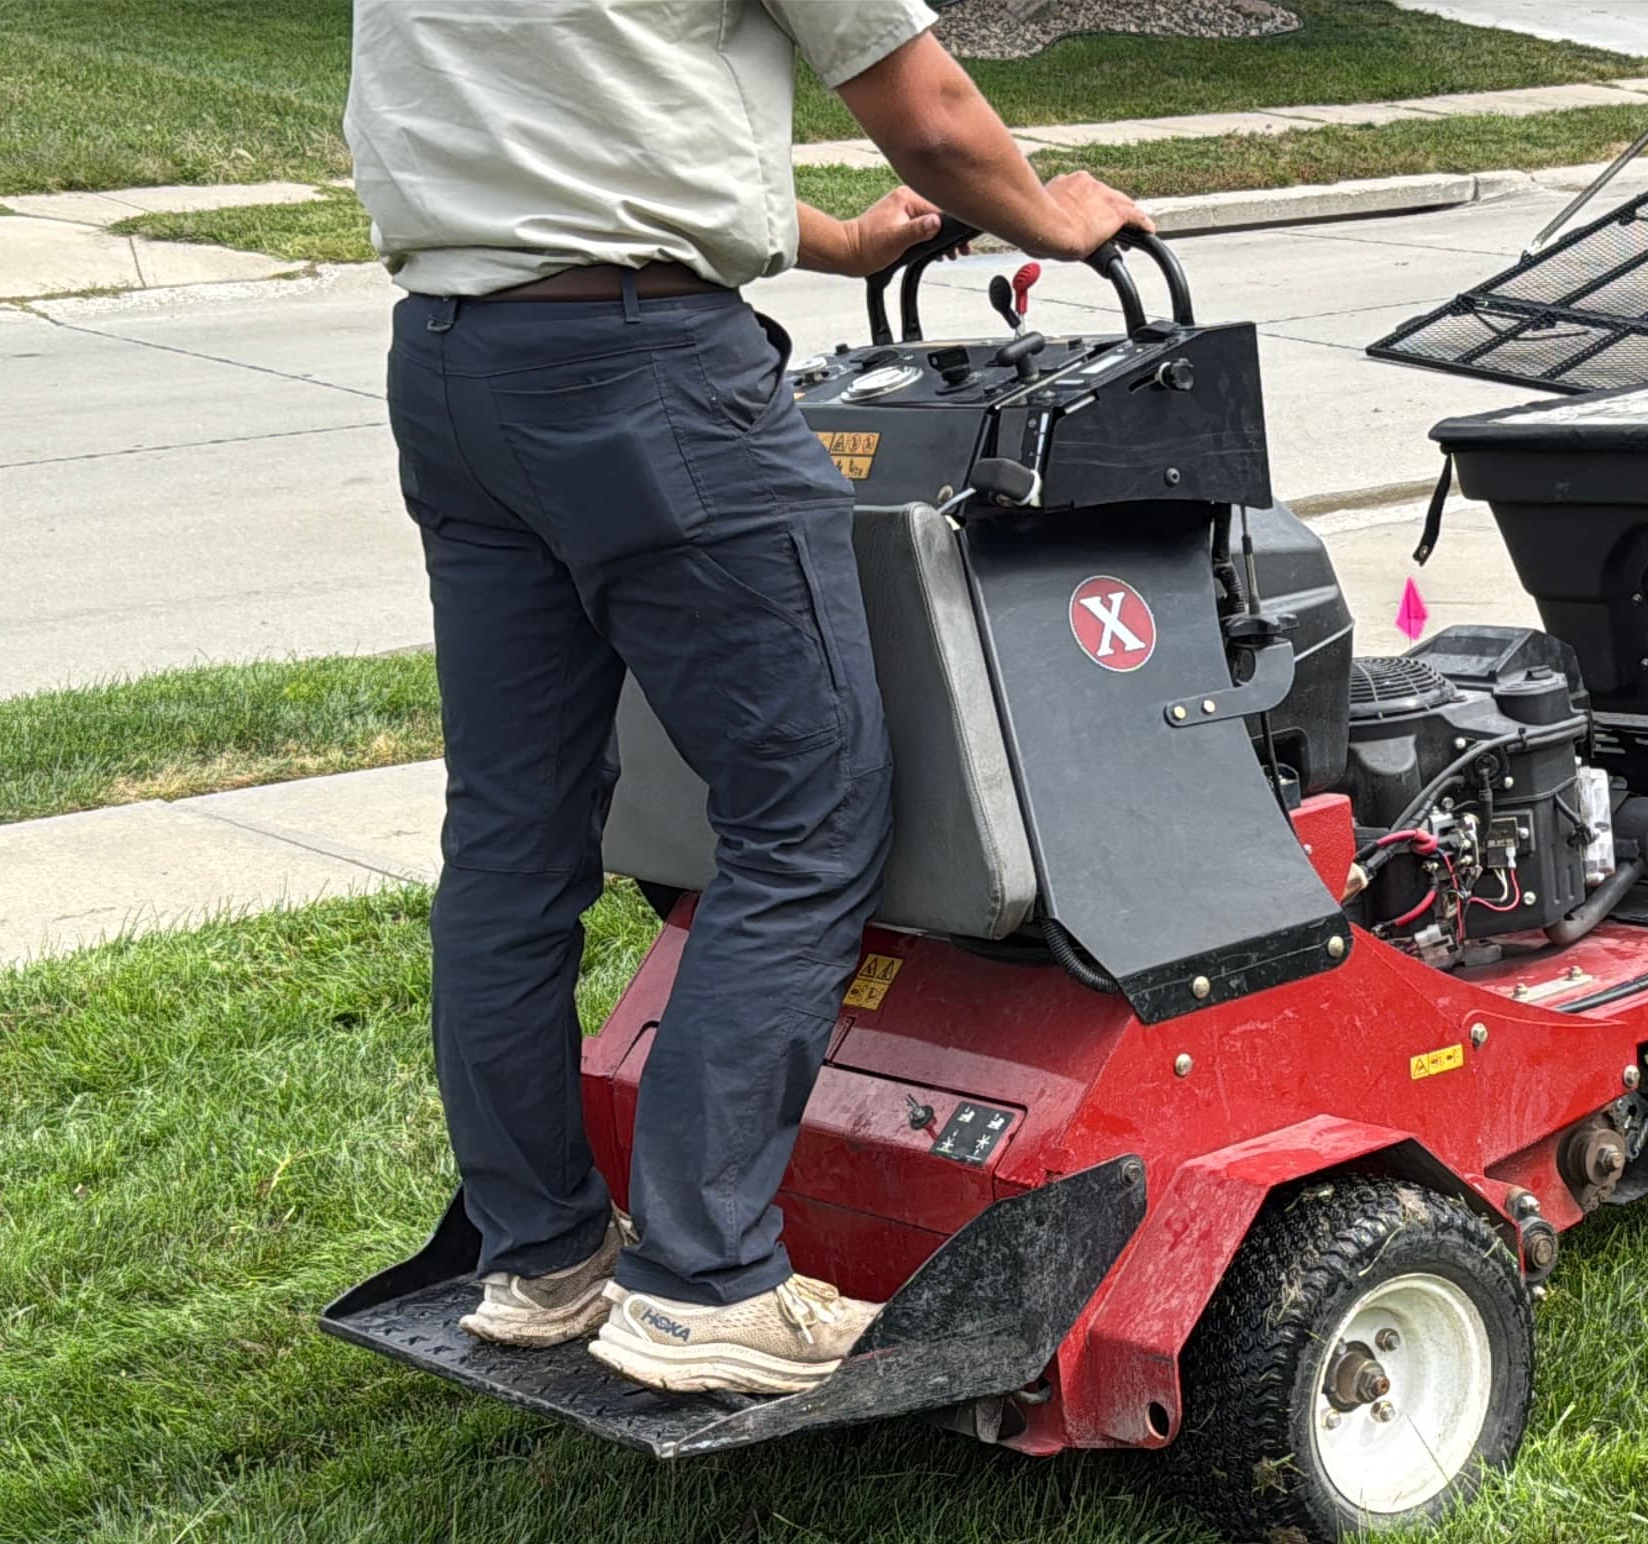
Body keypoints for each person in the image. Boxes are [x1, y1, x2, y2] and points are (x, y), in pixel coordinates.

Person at [345, 5, 1151, 1397]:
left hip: (456, 366)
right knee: (808, 802)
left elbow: (583, 117)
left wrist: (842, 245)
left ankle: (539, 1254)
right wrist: (1052, 219)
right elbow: (934, 119)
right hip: (646, 369)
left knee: (510, 840)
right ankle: (705, 1281)